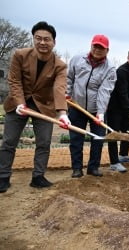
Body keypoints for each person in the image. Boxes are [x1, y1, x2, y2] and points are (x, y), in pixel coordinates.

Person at [0, 21, 70, 192]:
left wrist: (62, 113)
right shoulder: (20, 55)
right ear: (33, 39)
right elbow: (14, 80)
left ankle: (38, 176)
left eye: (47, 39)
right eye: (38, 38)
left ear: (54, 42)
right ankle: (3, 176)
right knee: (9, 141)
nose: (42, 43)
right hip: (18, 103)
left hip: (44, 106)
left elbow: (59, 88)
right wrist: (19, 103)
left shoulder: (60, 65)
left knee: (44, 142)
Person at [66, 34, 116, 178]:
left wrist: (100, 112)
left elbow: (104, 91)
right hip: (76, 105)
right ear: (91, 45)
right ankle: (77, 168)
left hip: (96, 110)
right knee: (76, 139)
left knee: (98, 139)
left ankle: (93, 167)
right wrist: (67, 94)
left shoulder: (110, 69)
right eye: (96, 46)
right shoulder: (77, 59)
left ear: (107, 51)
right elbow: (69, 78)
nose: (98, 50)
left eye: (102, 48)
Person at [106, 48, 129, 173]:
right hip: (114, 108)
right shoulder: (121, 71)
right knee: (114, 135)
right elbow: (122, 93)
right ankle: (114, 162)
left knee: (128, 131)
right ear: (128, 57)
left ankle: (123, 155)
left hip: (125, 108)